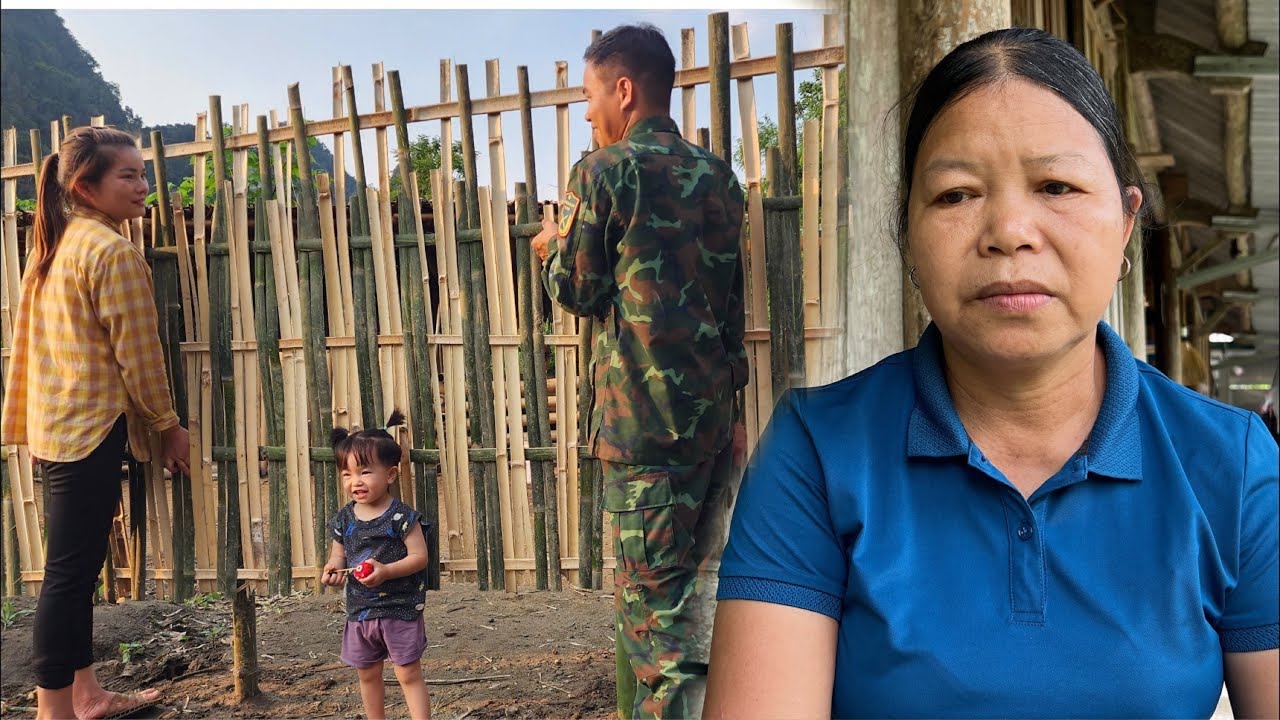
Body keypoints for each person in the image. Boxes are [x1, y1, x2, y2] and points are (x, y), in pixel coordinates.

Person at [704, 27, 1278, 719]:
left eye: (1057, 185)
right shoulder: (817, 452)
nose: (1009, 230)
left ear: (1126, 223)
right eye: (955, 195)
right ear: (906, 231)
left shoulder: (1234, 465)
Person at [530, 23, 747, 720]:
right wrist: (736, 414)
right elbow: (729, 302)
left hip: (642, 433)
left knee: (659, 630)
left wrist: (549, 247)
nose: (587, 112)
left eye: (590, 95)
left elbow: (580, 292)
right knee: (703, 607)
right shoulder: (717, 176)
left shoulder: (604, 172)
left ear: (624, 91)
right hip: (713, 427)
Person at [1, 125, 191, 720]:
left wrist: (29, 421)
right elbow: (140, 354)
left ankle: (84, 695)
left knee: (75, 570)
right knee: (69, 574)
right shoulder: (110, 252)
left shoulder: (56, 246)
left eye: (143, 173)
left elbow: (29, 345)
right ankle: (55, 710)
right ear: (85, 186)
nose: (144, 186)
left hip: (59, 426)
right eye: (128, 176)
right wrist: (167, 424)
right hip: (89, 430)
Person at [322, 410, 431, 720]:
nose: (356, 481)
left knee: (407, 674)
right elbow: (338, 556)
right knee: (367, 674)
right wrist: (332, 571)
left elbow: (419, 558)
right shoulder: (344, 519)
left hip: (400, 608)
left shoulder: (402, 517)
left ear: (391, 475)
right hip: (360, 611)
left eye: (366, 472)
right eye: (347, 474)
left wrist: (385, 571)